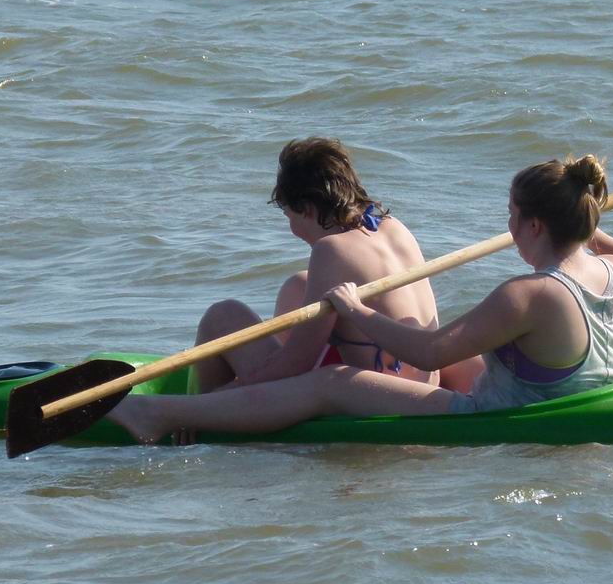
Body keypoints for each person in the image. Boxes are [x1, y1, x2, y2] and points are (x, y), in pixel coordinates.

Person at [109, 155, 613, 443]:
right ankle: (215, 411)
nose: (506, 227)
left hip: (496, 415)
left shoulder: (526, 294)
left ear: (532, 225)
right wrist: (593, 236)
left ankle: (158, 414)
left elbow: (430, 352)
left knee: (331, 383)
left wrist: (356, 311)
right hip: (575, 398)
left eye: (511, 216)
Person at [186, 137, 443, 395]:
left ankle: (203, 408)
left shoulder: (332, 249)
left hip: (382, 394)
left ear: (307, 209)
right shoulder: (394, 227)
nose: (292, 228)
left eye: (289, 215)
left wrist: (235, 389)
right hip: (425, 383)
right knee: (300, 284)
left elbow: (297, 363)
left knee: (222, 315)